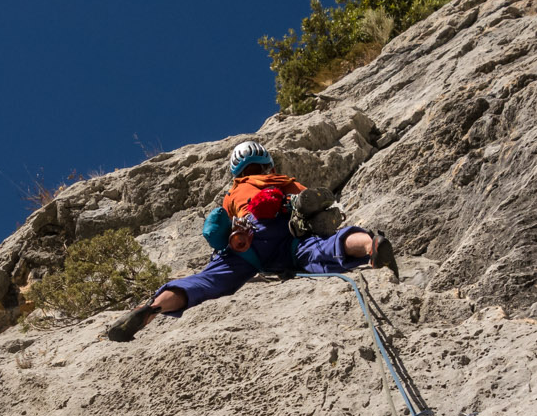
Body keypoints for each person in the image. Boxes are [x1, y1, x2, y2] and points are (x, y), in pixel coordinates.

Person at [106, 141, 395, 342]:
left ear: (237, 172)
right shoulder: (285, 182)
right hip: (288, 235)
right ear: (267, 165)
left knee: (208, 281)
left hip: (247, 239)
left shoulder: (234, 193)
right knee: (323, 247)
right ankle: (370, 245)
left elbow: (228, 220)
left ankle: (152, 309)